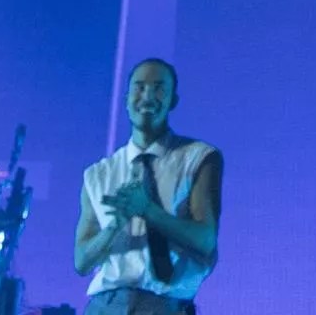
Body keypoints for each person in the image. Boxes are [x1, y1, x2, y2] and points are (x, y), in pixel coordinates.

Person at [72, 60, 218, 315]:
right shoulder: (98, 174)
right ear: (126, 99)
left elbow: (206, 241)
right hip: (105, 305)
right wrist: (113, 227)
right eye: (139, 87)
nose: (148, 96)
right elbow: (81, 262)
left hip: (164, 305)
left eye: (159, 88)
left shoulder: (197, 158)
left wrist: (148, 210)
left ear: (173, 100)